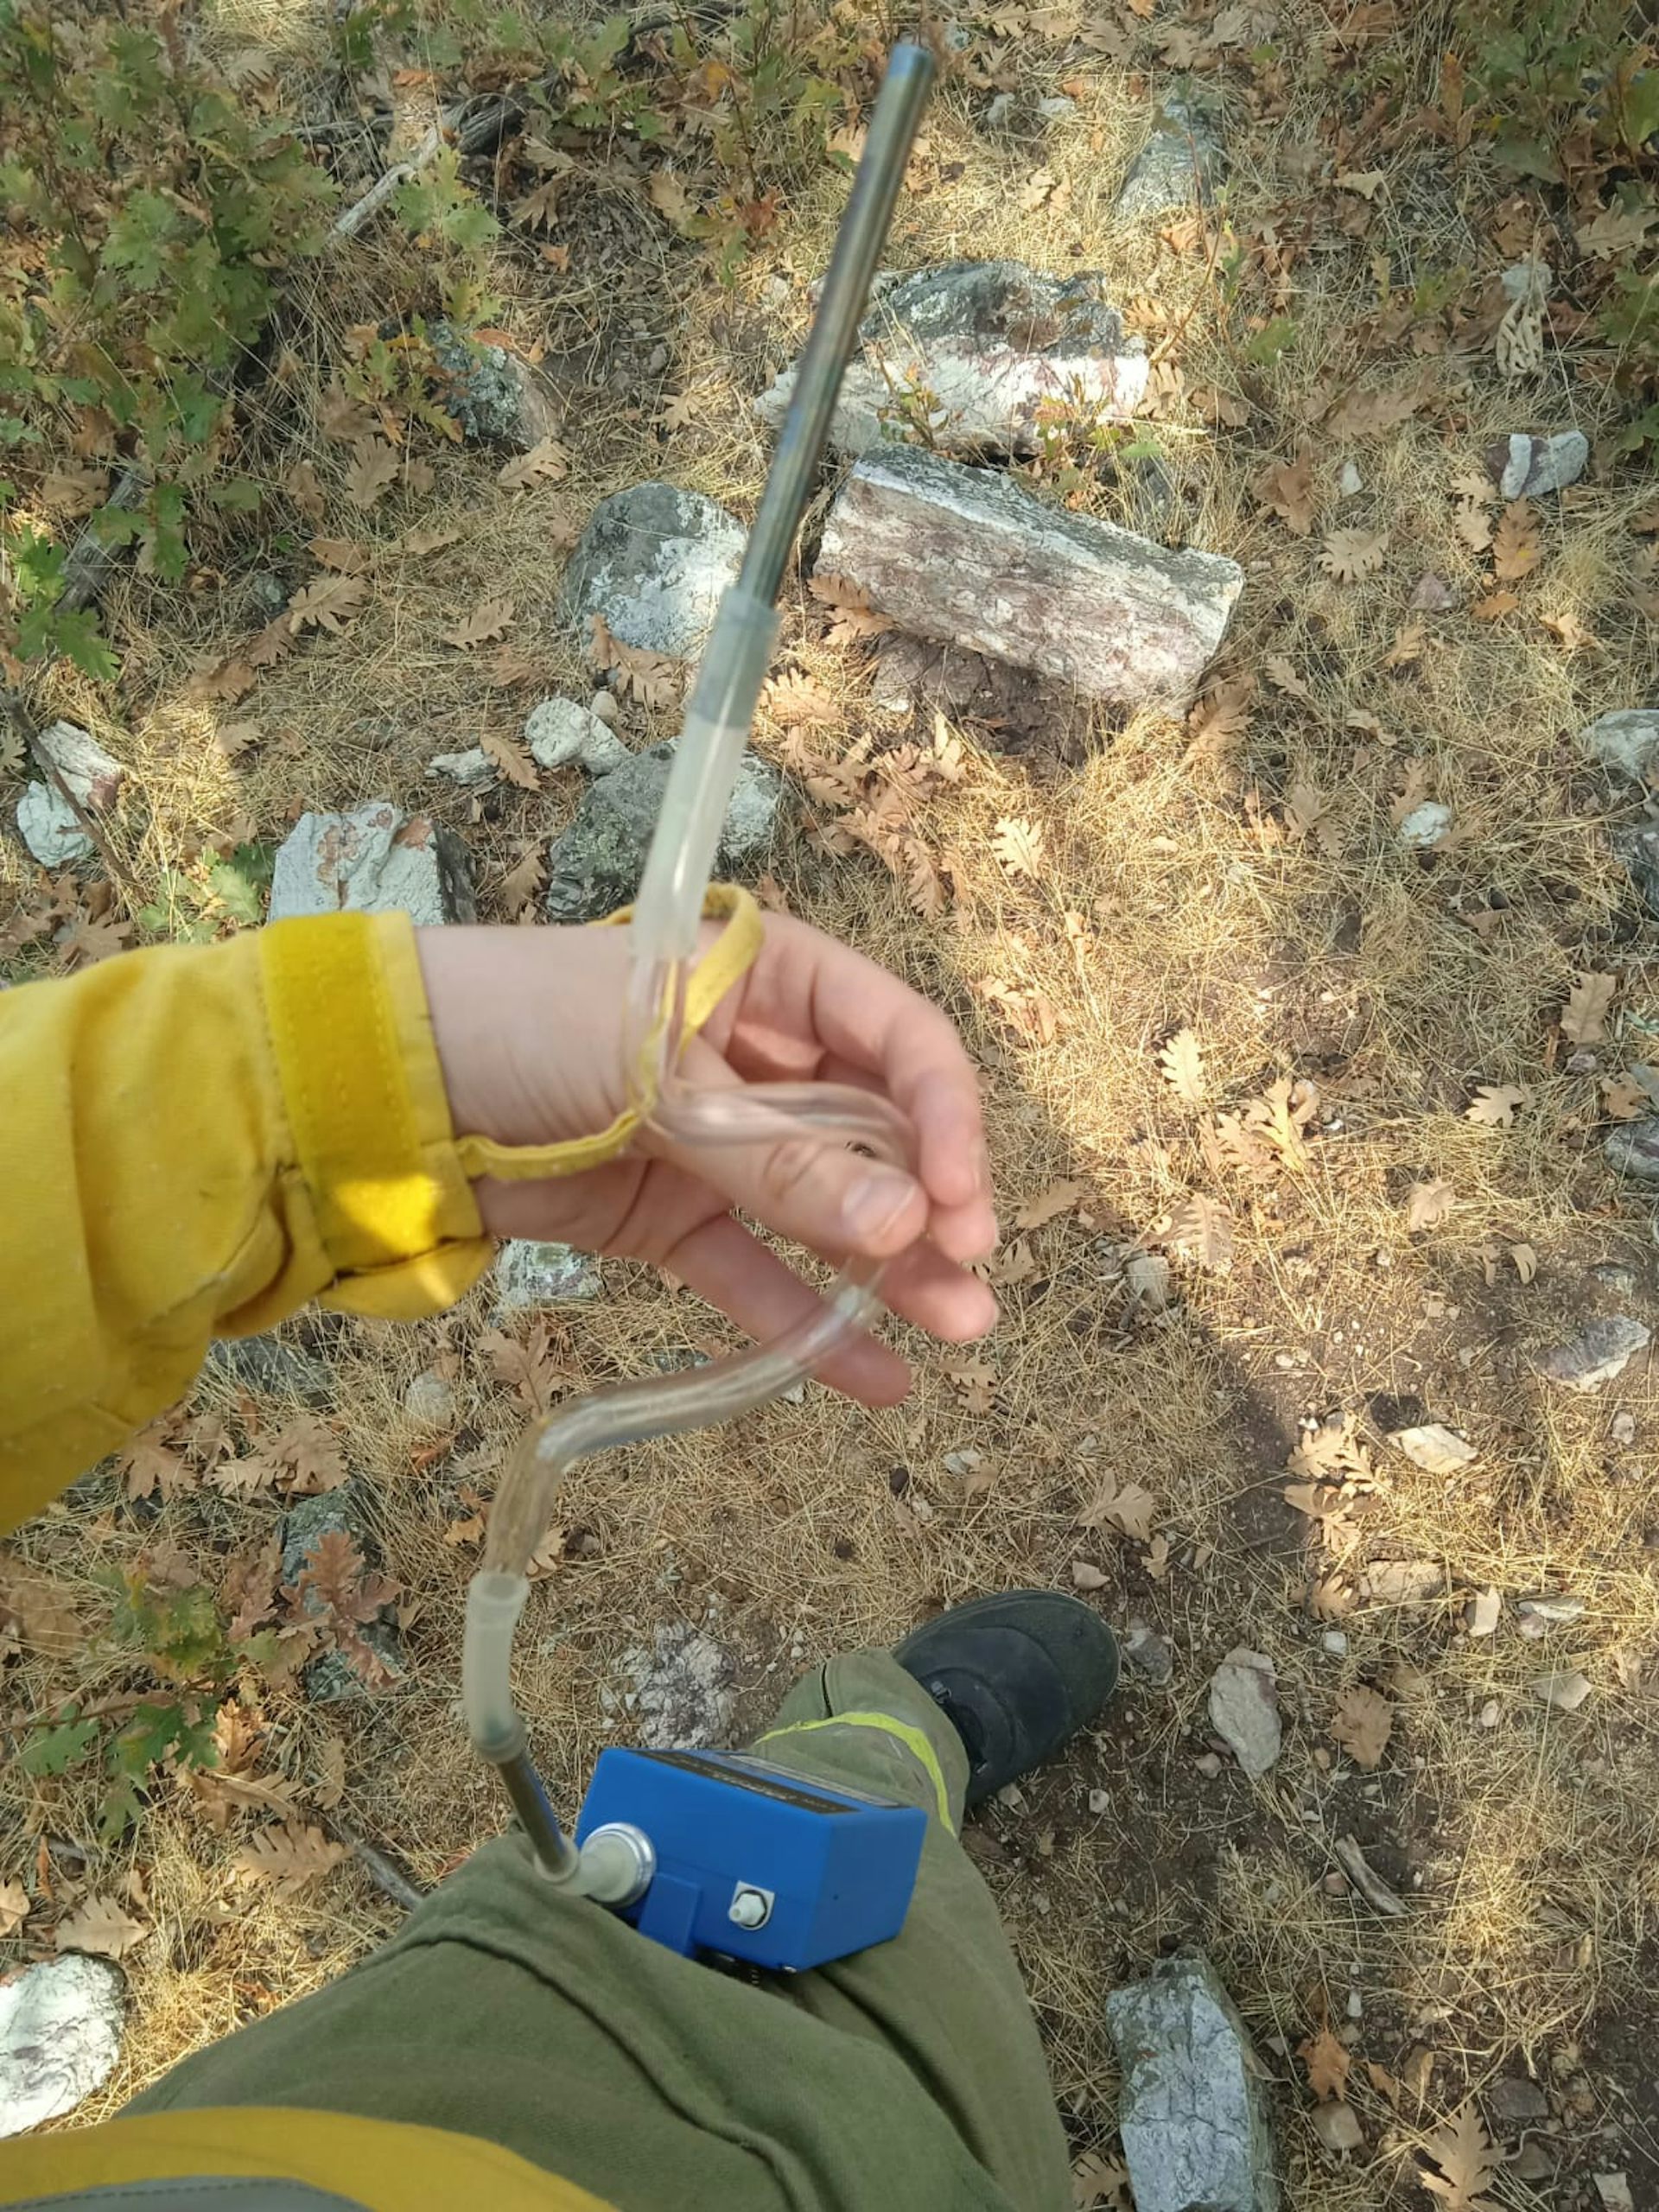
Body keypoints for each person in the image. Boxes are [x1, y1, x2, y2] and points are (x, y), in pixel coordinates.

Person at [0, 887, 1118, 2211]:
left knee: (787, 1821)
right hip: (882, 2173)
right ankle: (902, 1777)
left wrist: (317, 1088)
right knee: (916, 1996)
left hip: (365, 2089)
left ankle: (901, 1740)